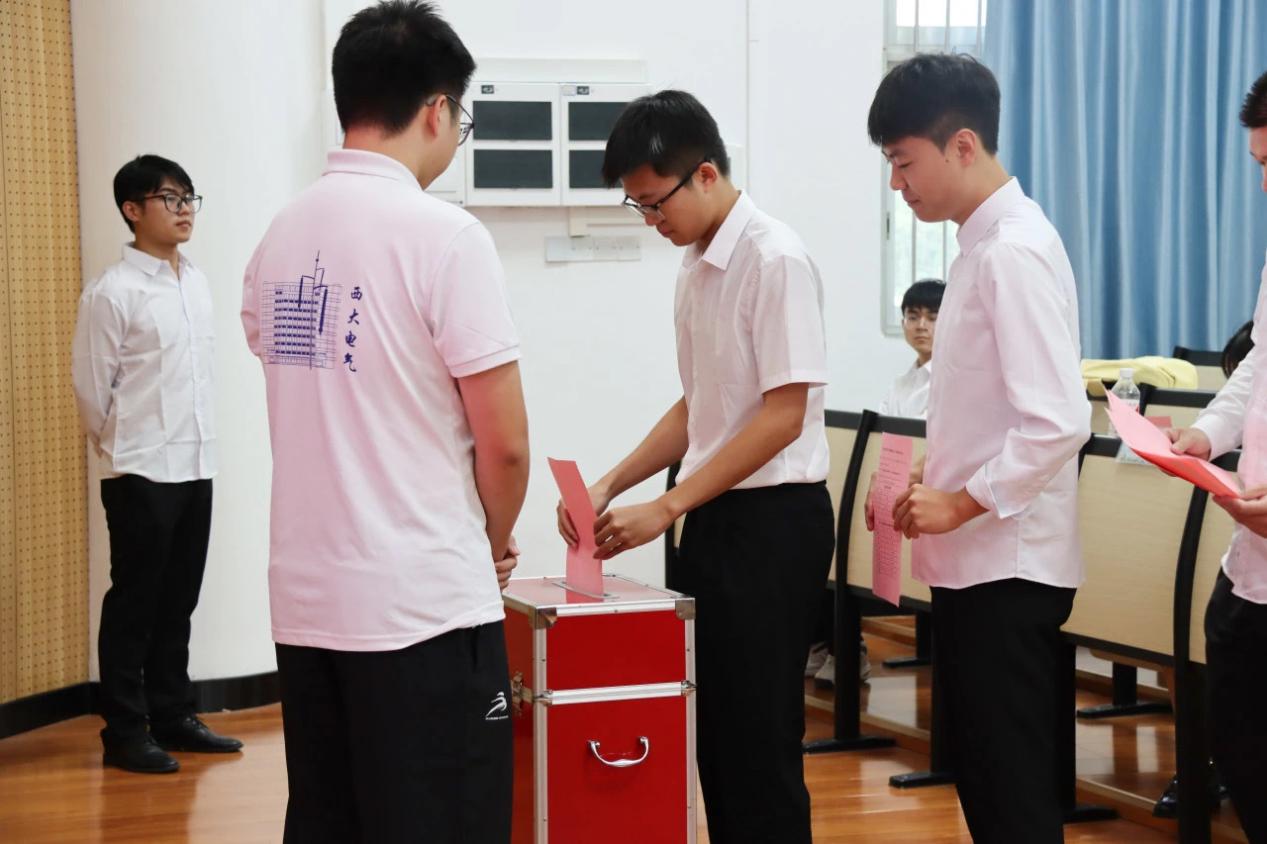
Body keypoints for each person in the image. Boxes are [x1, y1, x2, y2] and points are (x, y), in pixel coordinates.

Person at [240, 2, 528, 840]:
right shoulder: (445, 237)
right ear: (436, 110)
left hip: (308, 599)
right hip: (422, 603)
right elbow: (506, 446)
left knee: (332, 818)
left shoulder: (281, 233)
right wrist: (488, 543)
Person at [557, 89, 833, 843]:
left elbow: (781, 415)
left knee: (760, 738)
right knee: (714, 732)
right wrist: (612, 483)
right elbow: (699, 404)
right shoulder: (695, 263)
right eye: (638, 207)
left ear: (705, 173)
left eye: (655, 203)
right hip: (713, 514)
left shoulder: (774, 259)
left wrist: (667, 506)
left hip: (773, 523)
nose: (651, 221)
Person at [866, 54, 1090, 843]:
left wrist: (961, 500)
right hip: (978, 561)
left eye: (903, 162)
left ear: (961, 145)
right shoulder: (976, 247)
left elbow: (1057, 421)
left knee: (1010, 790)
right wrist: (931, 471)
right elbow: (984, 406)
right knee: (988, 779)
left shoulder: (1010, 251)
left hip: (1007, 565)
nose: (896, 183)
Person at [71, 155, 241, 775]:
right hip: (140, 469)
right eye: (170, 198)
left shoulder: (195, 282)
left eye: (189, 197)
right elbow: (92, 390)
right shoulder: (112, 291)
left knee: (179, 600)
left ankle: (174, 715)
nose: (185, 209)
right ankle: (124, 731)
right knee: (134, 605)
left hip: (196, 462)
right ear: (132, 209)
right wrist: (123, 445)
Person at [1167, 69, 1267, 844]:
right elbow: (1256, 368)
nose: (1263, 186)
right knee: (1239, 744)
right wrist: (1206, 432)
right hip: (1251, 566)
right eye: (1259, 166)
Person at [807, 278, 945, 688]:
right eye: (913, 316)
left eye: (933, 317)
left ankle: (849, 649)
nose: (921, 326)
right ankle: (832, 643)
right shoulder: (902, 383)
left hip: (927, 503)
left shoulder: (952, 379)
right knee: (826, 539)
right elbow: (884, 442)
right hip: (892, 493)